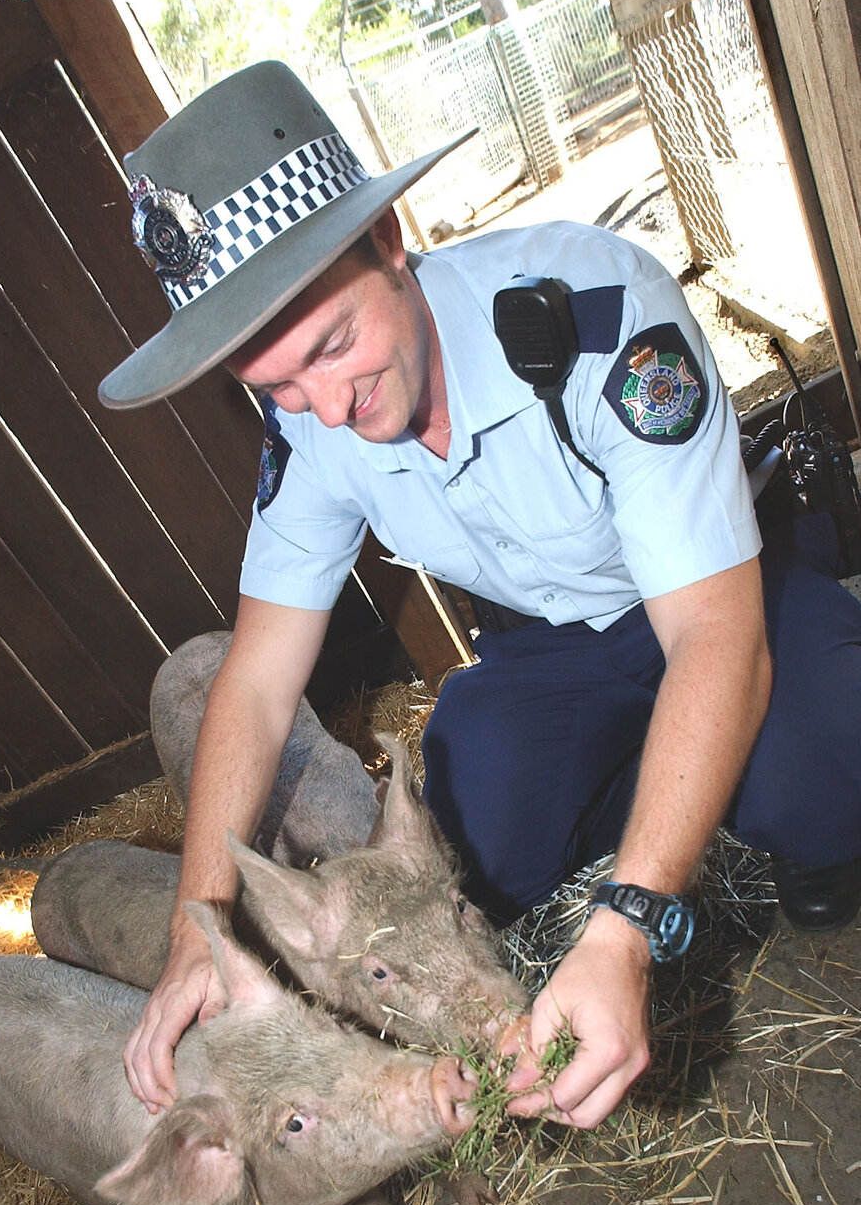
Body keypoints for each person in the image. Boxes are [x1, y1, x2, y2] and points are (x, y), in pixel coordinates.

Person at [98, 62, 861, 1128]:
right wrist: (198, 924)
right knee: (458, 858)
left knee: (828, 748)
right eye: (274, 388)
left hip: (710, 594)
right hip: (551, 651)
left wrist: (625, 923)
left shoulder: (596, 313)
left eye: (332, 346)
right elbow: (258, 682)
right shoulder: (310, 426)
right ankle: (669, 773)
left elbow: (713, 631)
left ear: (391, 241)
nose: (328, 408)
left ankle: (775, 806)